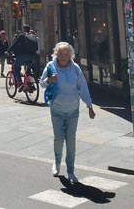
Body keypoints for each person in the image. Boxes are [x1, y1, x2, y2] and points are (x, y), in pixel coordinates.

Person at [40, 41, 95, 184]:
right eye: (61, 54)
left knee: (71, 141)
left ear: (70, 55)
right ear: (56, 54)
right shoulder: (51, 66)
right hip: (56, 109)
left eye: (66, 54)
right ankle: (57, 162)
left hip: (72, 110)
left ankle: (71, 170)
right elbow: (42, 83)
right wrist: (49, 79)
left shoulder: (75, 68)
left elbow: (82, 87)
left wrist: (89, 105)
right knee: (59, 139)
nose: (64, 57)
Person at [8, 24, 38, 91]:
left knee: (16, 67)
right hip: (32, 56)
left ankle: (20, 83)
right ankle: (29, 83)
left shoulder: (21, 35)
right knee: (28, 69)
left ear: (23, 29)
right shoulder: (32, 36)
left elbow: (14, 44)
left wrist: (8, 51)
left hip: (23, 56)